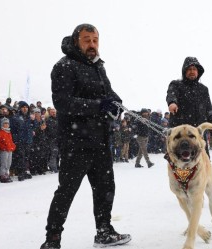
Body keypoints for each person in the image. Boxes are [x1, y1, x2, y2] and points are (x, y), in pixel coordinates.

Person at [40, 23, 131, 249]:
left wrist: (116, 103)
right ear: (76, 41)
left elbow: (109, 93)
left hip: (101, 141)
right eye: (87, 39)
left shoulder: (98, 67)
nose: (92, 44)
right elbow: (63, 102)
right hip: (75, 142)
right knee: (66, 191)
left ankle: (104, 231)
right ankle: (52, 240)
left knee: (105, 188)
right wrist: (99, 106)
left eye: (95, 40)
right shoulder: (64, 66)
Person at [166, 57, 212, 156]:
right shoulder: (176, 84)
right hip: (180, 137)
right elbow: (171, 94)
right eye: (189, 69)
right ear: (184, 71)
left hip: (197, 137)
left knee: (203, 167)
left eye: (194, 69)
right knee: (178, 169)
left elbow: (209, 112)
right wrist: (172, 103)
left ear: (198, 72)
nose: (192, 71)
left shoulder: (203, 89)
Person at [10, 101, 34, 181]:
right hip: (20, 140)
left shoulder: (29, 117)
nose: (25, 109)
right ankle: (20, 173)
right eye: (23, 107)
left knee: (26, 157)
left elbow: (33, 127)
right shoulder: (16, 117)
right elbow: (13, 130)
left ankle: (24, 171)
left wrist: (33, 122)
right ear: (20, 108)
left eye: (26, 107)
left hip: (28, 140)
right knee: (21, 156)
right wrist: (16, 139)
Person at [0, 118, 16, 183]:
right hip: (4, 150)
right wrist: (3, 147)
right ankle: (3, 175)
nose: (6, 125)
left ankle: (7, 174)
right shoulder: (0, 132)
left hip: (10, 150)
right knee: (4, 163)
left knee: (9, 163)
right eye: (5, 123)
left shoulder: (8, 132)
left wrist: (13, 146)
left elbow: (11, 141)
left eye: (7, 123)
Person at [45, 108, 59, 173]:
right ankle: (53, 168)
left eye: (54, 112)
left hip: (58, 139)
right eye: (52, 112)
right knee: (53, 153)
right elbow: (51, 131)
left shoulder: (58, 119)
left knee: (57, 154)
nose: (54, 113)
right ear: (50, 113)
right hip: (52, 140)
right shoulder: (48, 120)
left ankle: (56, 166)